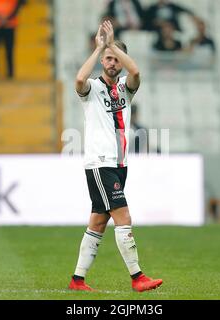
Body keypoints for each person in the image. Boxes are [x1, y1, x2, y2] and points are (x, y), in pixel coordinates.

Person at [69, 20, 163, 292]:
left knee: (98, 221)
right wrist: (99, 48)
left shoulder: (126, 88)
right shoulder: (92, 89)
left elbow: (136, 70)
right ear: (101, 61)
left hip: (120, 164)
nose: (111, 63)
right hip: (101, 163)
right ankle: (138, 277)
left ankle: (77, 280)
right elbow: (77, 80)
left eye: (115, 59)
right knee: (124, 218)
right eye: (107, 59)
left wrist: (111, 44)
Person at [0, 0, 23, 79]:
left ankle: (10, 75)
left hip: (9, 25)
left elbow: (18, 5)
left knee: (9, 51)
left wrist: (7, 18)